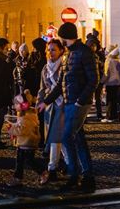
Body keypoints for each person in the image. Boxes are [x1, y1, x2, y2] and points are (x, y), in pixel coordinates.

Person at [38, 22, 98, 192]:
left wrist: (80, 100)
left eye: (61, 37)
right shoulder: (68, 54)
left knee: (66, 137)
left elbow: (93, 79)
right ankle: (86, 177)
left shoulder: (84, 52)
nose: (60, 40)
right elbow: (60, 84)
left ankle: (75, 175)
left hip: (78, 102)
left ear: (66, 37)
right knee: (78, 139)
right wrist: (46, 101)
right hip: (70, 101)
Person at [37, 39, 66, 185]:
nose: (50, 52)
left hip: (62, 104)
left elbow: (61, 87)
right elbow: (42, 88)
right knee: (61, 138)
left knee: (55, 137)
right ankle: (70, 164)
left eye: (54, 49)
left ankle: (52, 168)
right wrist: (38, 102)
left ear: (61, 50)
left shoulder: (64, 66)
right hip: (49, 107)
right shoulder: (45, 68)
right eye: (49, 50)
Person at [6, 89, 42, 187]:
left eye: (16, 104)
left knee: (28, 161)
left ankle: (43, 172)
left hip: (27, 142)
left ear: (22, 105)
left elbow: (22, 130)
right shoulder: (26, 113)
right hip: (25, 142)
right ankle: (18, 178)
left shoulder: (25, 116)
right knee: (21, 161)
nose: (14, 106)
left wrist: (11, 129)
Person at [102, 45, 120, 122]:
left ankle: (109, 116)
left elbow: (107, 73)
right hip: (117, 83)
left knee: (109, 100)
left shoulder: (108, 61)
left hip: (110, 83)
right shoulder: (119, 61)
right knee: (115, 100)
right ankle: (115, 116)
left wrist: (102, 81)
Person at [86, 37, 105, 120]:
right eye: (91, 45)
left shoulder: (99, 55)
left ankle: (99, 114)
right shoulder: (85, 54)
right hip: (88, 79)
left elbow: (103, 65)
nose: (92, 47)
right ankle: (84, 116)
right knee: (87, 98)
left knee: (98, 97)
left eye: (94, 45)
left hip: (98, 78)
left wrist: (100, 63)